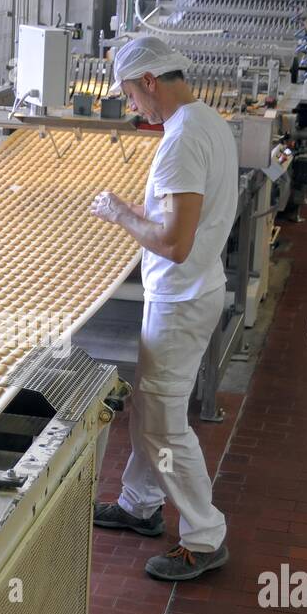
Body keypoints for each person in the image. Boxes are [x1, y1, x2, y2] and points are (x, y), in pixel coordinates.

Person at [89, 36, 239, 581]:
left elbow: (175, 243)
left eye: (130, 94)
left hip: (181, 298)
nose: (131, 106)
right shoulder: (207, 122)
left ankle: (204, 534)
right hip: (193, 290)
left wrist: (119, 212)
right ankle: (138, 504)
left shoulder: (179, 143)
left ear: (150, 81)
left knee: (164, 426)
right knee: (152, 412)